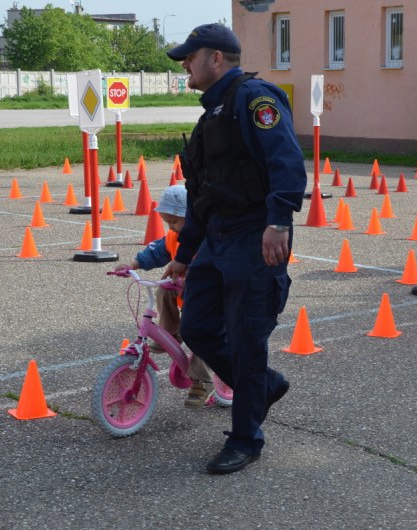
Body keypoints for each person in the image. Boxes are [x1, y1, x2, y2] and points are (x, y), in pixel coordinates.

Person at [164, 23, 307, 474]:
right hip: (216, 235)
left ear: (216, 58)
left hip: (255, 232)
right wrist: (185, 254)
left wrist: (278, 220)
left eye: (191, 57)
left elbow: (286, 161)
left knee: (246, 339)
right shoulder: (210, 116)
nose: (185, 65)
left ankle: (246, 439)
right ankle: (262, 386)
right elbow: (200, 193)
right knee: (198, 327)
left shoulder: (254, 99)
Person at [113, 185, 214, 409]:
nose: (171, 228)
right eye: (168, 223)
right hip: (186, 292)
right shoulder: (174, 237)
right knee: (164, 290)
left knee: (200, 333)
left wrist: (193, 279)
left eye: (175, 222)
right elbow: (156, 252)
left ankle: (202, 381)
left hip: (210, 299)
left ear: (191, 216)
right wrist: (132, 265)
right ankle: (170, 333)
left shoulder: (207, 239)